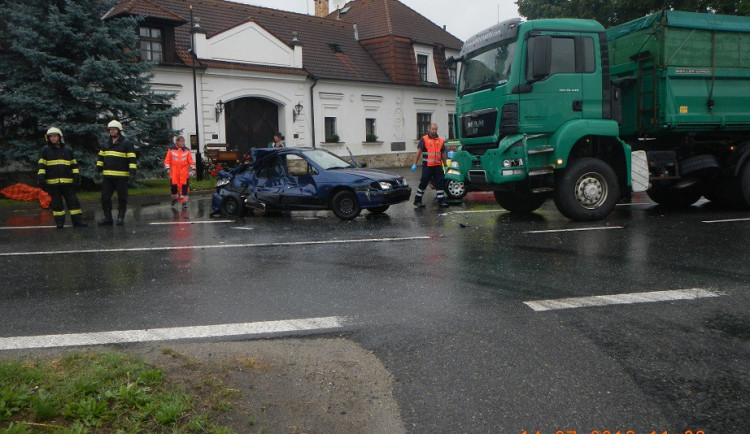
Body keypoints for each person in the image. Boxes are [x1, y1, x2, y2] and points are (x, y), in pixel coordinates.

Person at [37, 127, 87, 228]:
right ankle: (59, 223)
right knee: (57, 204)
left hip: (68, 183)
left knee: (73, 203)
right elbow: (42, 166)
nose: (53, 138)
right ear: (48, 138)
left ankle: (78, 222)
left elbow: (73, 164)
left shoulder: (68, 150)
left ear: (59, 137)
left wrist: (76, 176)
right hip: (53, 183)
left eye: (55, 136)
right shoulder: (45, 150)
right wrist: (41, 178)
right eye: (51, 137)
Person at [96, 120, 137, 226]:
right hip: (108, 177)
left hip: (121, 177)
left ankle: (120, 217)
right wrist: (97, 171)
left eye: (114, 129)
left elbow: (132, 159)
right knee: (104, 198)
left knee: (122, 198)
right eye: (110, 129)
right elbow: (101, 158)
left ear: (119, 130)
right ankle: (108, 218)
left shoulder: (127, 144)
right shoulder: (106, 144)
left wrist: (132, 172)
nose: (112, 131)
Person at [411, 123, 448, 208]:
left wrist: (445, 165)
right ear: (429, 129)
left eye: (435, 129)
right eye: (433, 129)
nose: (434, 130)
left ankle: (441, 200)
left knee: (440, 182)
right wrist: (414, 164)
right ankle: (417, 200)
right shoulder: (424, 139)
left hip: (438, 165)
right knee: (424, 182)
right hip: (428, 165)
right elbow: (418, 152)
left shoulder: (440, 140)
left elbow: (443, 153)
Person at [164, 136, 196, 209]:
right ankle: (175, 198)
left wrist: (193, 169)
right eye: (181, 141)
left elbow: (190, 161)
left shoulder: (186, 150)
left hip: (184, 173)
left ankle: (184, 202)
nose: (183, 143)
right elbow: (167, 160)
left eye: (183, 141)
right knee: (173, 187)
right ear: (177, 142)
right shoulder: (171, 150)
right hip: (174, 172)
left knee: (184, 187)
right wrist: (167, 169)